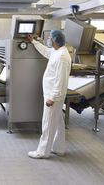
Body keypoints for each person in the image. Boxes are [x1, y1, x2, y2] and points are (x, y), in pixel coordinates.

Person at [27, 29, 71, 159]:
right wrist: (34, 41)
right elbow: (45, 51)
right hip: (53, 94)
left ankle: (42, 152)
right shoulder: (57, 52)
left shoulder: (62, 57)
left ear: (54, 40)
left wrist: (52, 98)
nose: (48, 40)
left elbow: (60, 79)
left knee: (48, 123)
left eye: (49, 38)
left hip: (54, 96)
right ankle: (59, 148)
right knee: (57, 122)